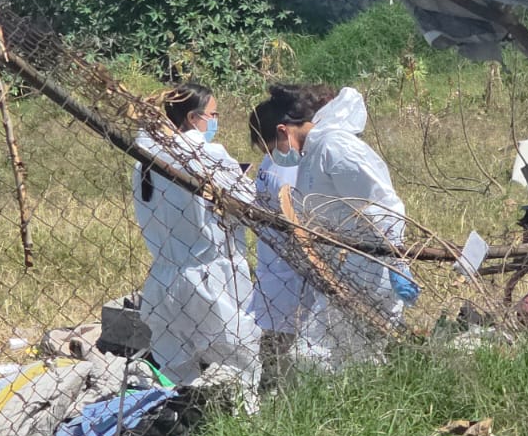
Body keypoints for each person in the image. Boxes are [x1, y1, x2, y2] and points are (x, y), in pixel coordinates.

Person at [131, 83, 262, 403]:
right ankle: (244, 424)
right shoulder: (206, 154)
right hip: (211, 275)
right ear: (192, 118)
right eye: (213, 115)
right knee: (240, 362)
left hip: (164, 279)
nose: (216, 122)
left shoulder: (143, 159)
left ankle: (183, 423)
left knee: (177, 372)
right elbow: (248, 204)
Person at [280, 85, 413, 369]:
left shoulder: (335, 147)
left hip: (369, 269)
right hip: (344, 272)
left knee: (314, 356)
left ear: (283, 131)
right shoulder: (313, 153)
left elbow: (381, 204)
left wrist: (397, 260)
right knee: (351, 361)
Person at [244, 84, 332, 375]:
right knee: (287, 361)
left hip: (285, 282)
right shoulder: (285, 164)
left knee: (281, 361)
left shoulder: (281, 163)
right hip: (287, 281)